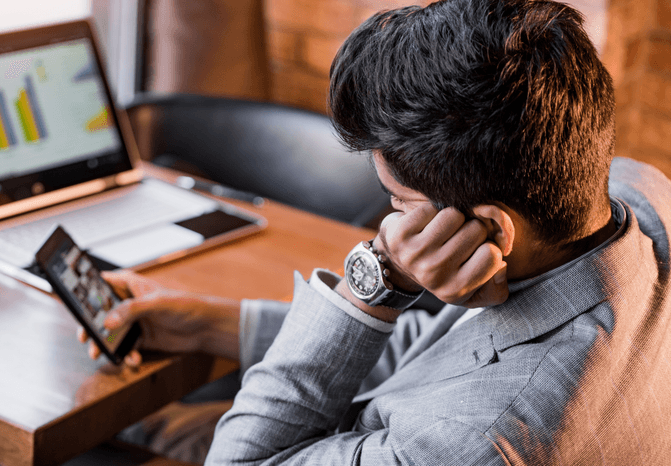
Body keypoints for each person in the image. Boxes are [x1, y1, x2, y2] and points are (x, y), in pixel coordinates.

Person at [83, 0, 671, 463]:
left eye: (399, 202)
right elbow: (446, 359)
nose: (390, 226)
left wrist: (378, 278)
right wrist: (211, 324)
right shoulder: (640, 195)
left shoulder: (472, 445)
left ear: (491, 228)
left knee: (108, 431)